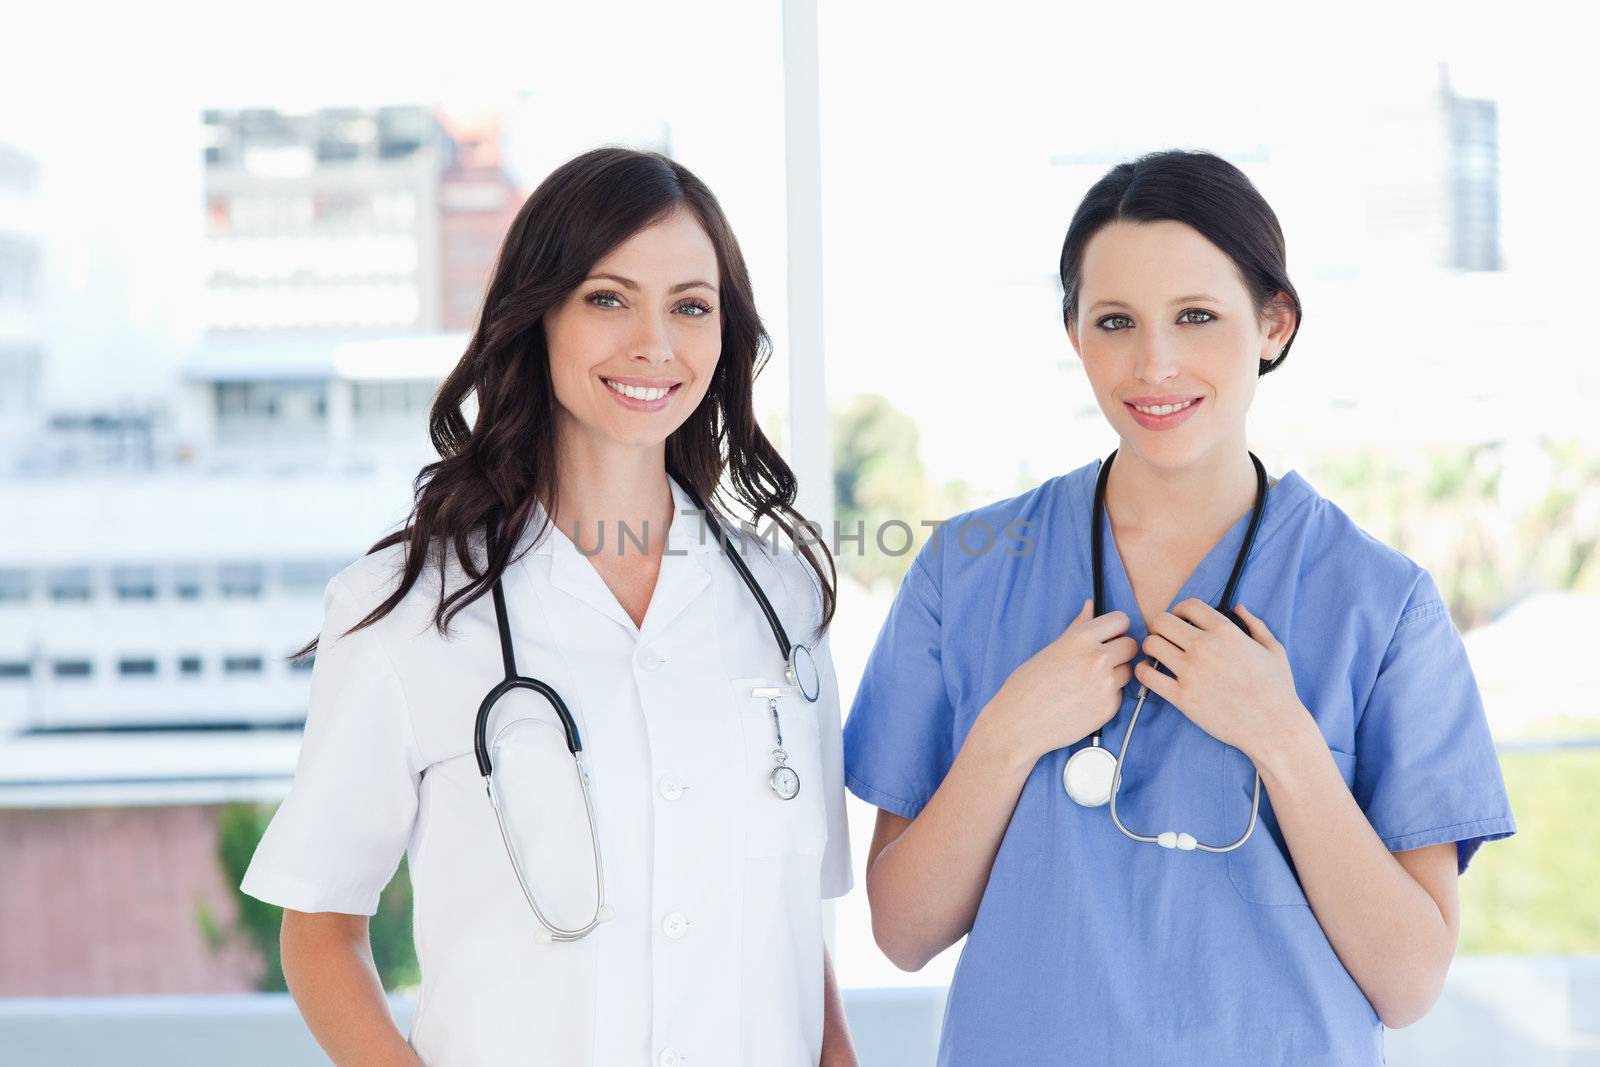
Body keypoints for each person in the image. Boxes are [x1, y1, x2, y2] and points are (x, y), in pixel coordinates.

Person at [843, 149, 1515, 1065]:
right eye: (1115, 321)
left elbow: (1408, 981)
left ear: (1274, 323)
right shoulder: (965, 571)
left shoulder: (1381, 603)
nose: (1154, 363)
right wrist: (1008, 734)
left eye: (1196, 316)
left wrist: (1280, 736)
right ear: (1074, 333)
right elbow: (905, 930)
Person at [241, 147, 857, 1067]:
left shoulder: (780, 598)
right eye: (609, 299)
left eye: (691, 305)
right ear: (540, 315)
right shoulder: (407, 610)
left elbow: (781, 918)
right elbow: (320, 926)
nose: (655, 342)